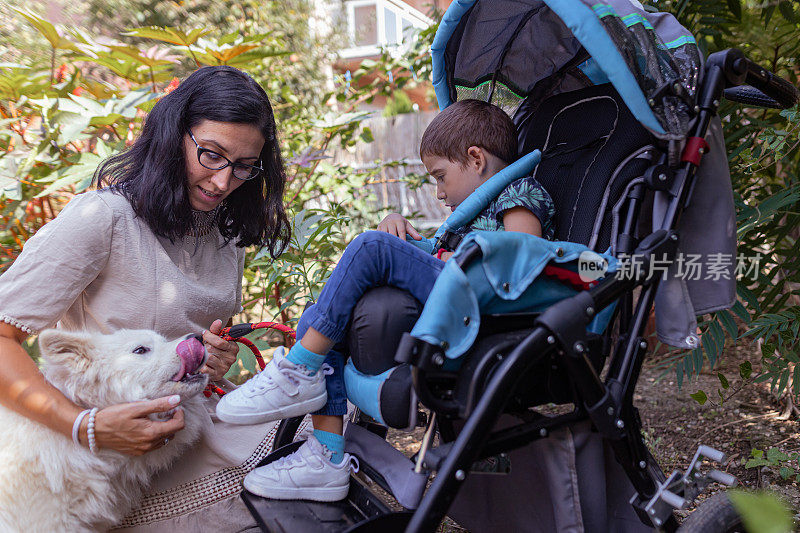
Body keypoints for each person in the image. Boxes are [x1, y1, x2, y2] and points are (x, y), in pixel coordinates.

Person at [216, 99, 556, 501]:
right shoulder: (469, 215)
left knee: (370, 249)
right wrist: (410, 238)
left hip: (485, 305)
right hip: (457, 297)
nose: (440, 194)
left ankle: (297, 373)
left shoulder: (518, 191)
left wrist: (431, 255)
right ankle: (325, 457)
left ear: (476, 158)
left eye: (441, 177)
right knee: (319, 320)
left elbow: (519, 265)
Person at [0, 65, 291, 531]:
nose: (222, 183)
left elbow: (182, 343)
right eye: (212, 155)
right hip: (95, 455)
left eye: (243, 166)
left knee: (322, 429)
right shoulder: (105, 218)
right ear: (173, 135)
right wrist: (84, 427)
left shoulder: (225, 236)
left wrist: (211, 359)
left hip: (181, 433)